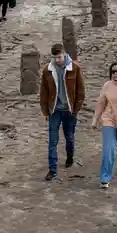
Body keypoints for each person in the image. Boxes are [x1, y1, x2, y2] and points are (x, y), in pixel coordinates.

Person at [40, 43, 86, 181]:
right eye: (55, 57)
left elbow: (80, 91)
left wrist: (76, 109)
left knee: (69, 137)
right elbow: (43, 92)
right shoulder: (48, 70)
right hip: (54, 110)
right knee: (52, 141)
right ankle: (52, 170)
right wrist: (45, 111)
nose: (57, 60)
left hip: (69, 111)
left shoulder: (75, 68)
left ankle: (70, 156)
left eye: (59, 57)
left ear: (64, 54)